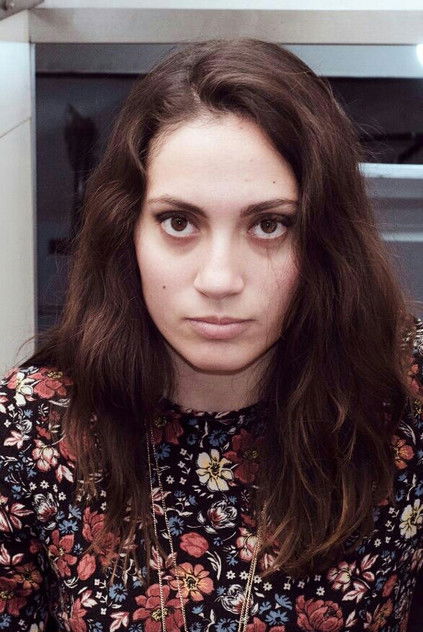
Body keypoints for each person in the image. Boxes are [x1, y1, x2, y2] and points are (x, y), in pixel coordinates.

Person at [0, 37, 422, 632]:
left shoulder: (401, 399)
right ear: (128, 232)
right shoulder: (31, 428)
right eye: (179, 222)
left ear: (325, 240)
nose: (219, 279)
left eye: (269, 225)